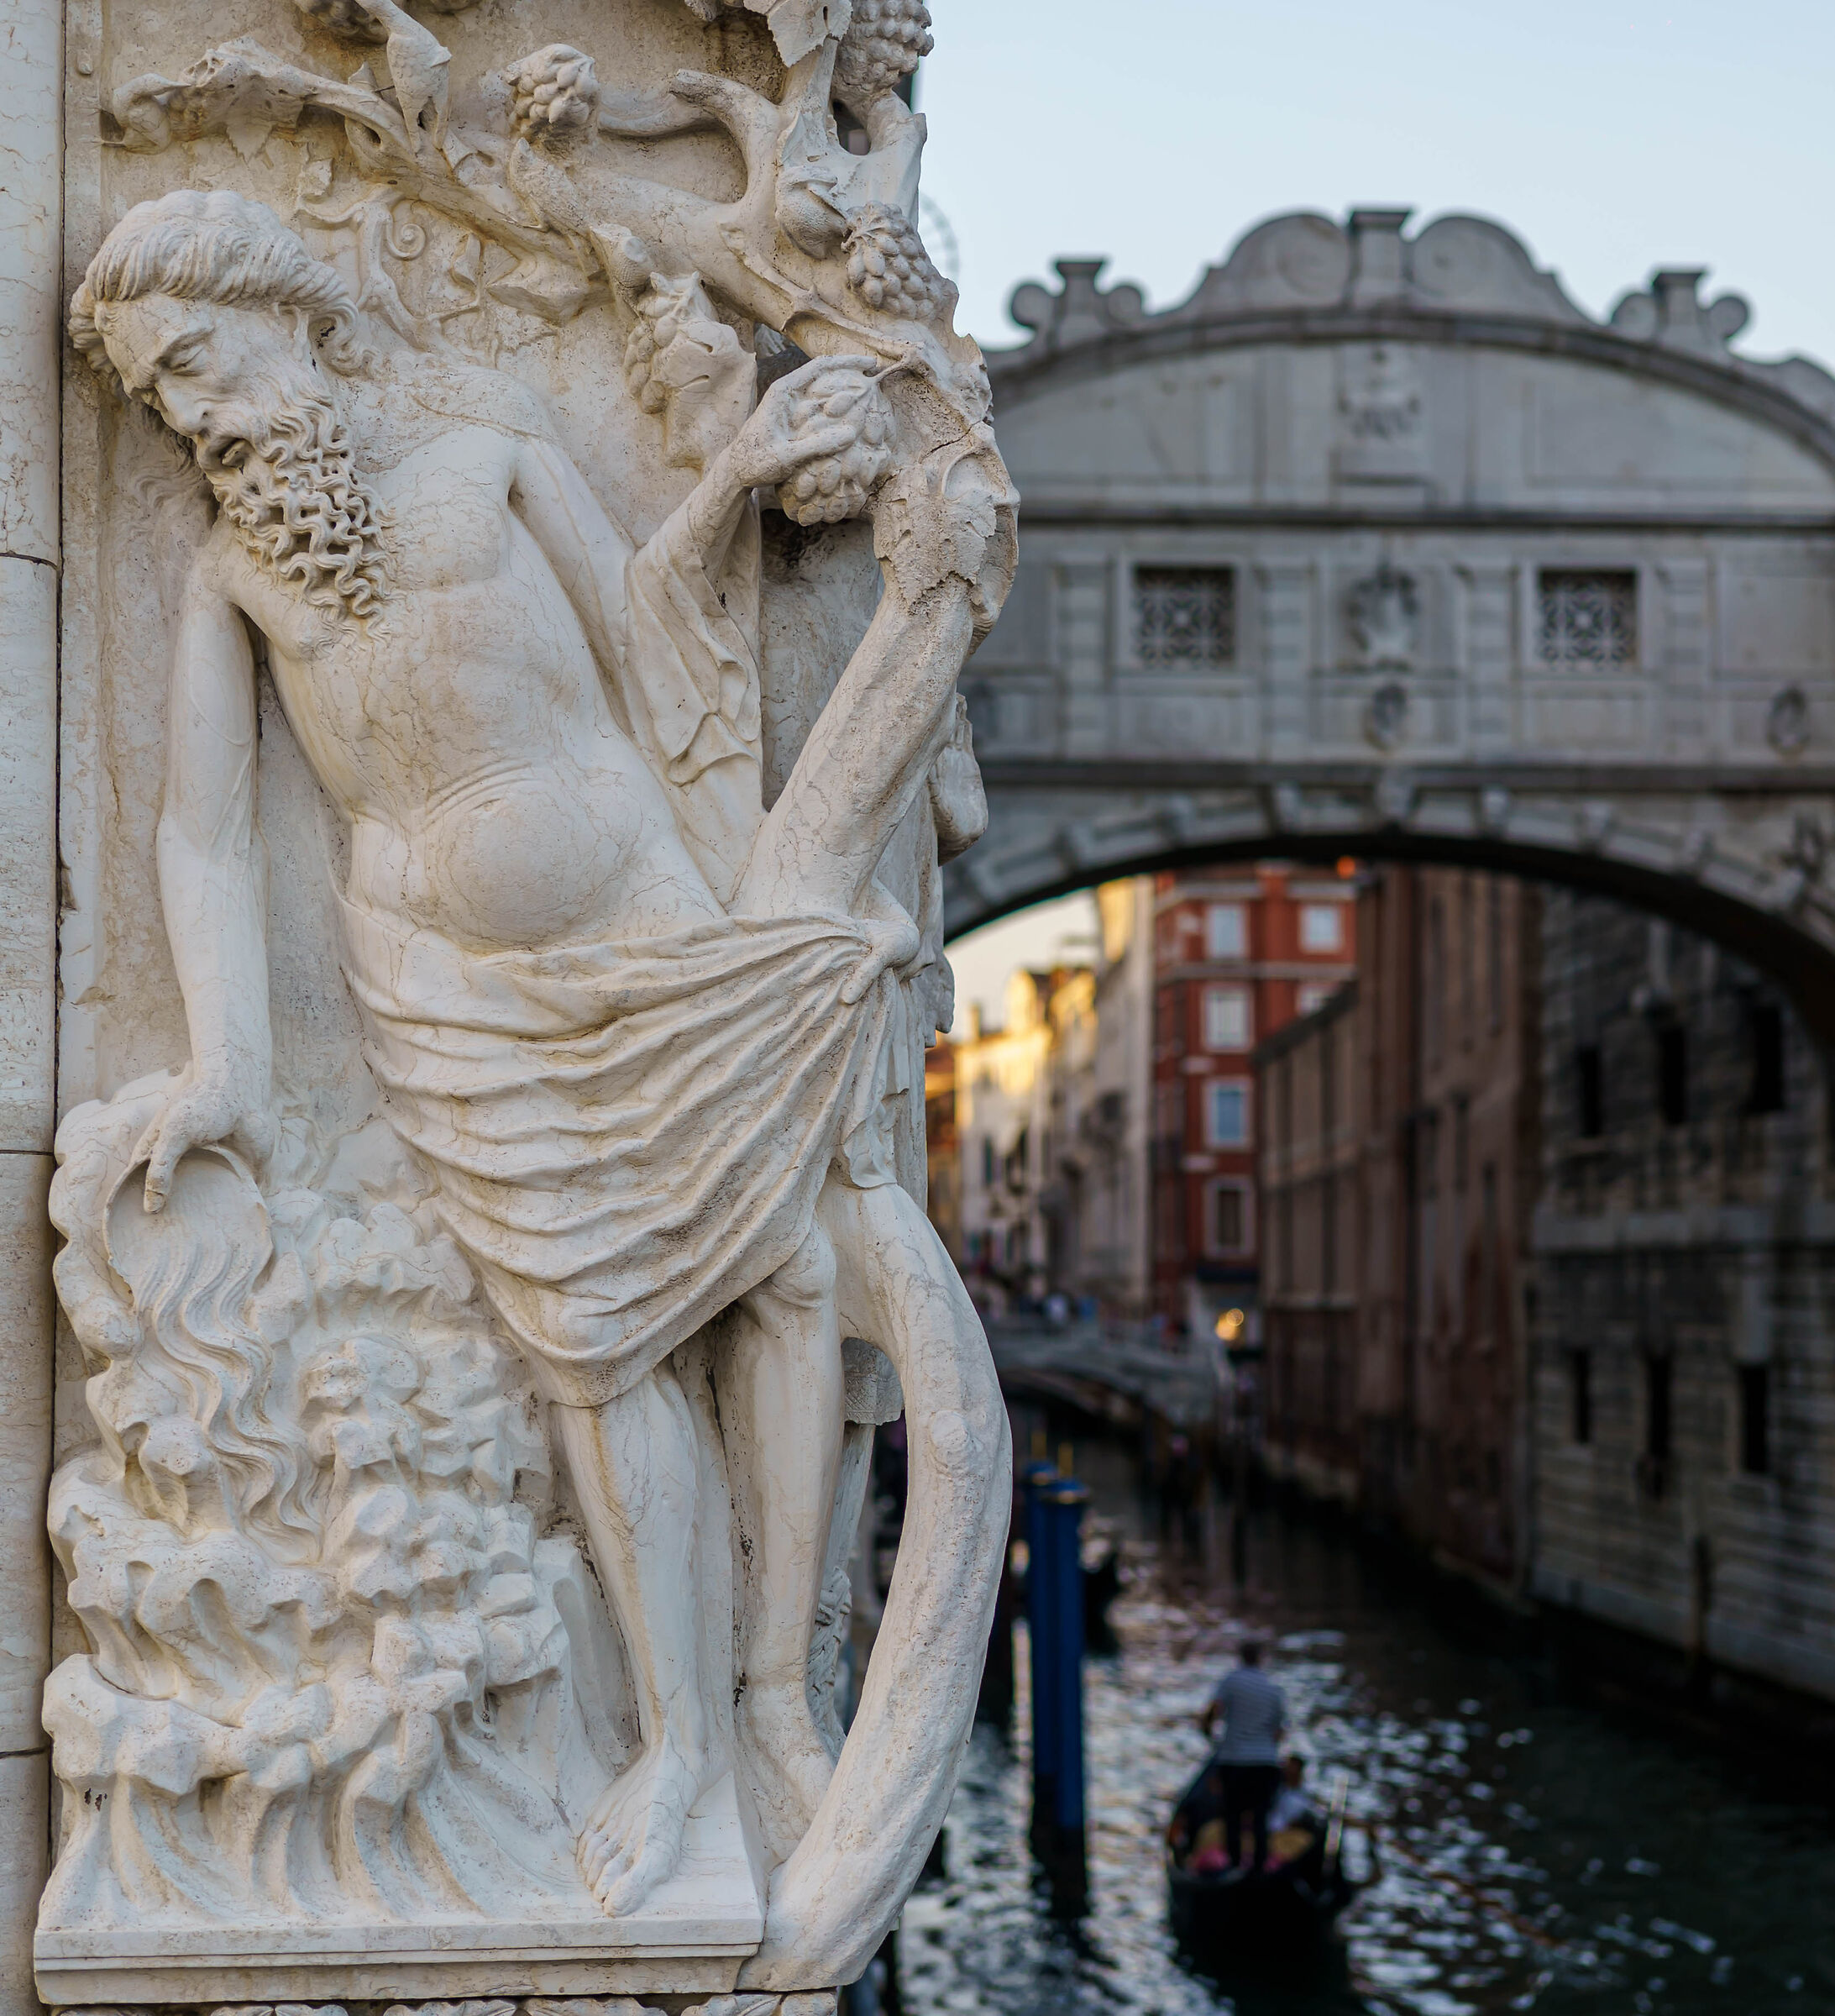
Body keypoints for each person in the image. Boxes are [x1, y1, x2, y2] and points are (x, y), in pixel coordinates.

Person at [71, 189, 997, 1916]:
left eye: (194, 363)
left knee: (782, 1276)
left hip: (640, 917)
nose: (189, 415)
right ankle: (668, 1745)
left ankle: (776, 1707)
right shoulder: (233, 566)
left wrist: (728, 479)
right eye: (156, 399)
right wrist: (226, 1062)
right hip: (444, 990)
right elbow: (203, 835)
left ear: (283, 314)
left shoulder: (487, 445)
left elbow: (654, 631)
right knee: (593, 1344)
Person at [1199, 1635, 1286, 1871]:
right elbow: (1279, 1732)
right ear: (1260, 1658)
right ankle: (1258, 1867)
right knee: (1260, 1818)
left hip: (1235, 1760)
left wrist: (1211, 1737)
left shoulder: (1230, 1681)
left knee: (1233, 1817)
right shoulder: (1273, 1688)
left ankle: (1235, 1865)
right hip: (1266, 1762)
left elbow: (1212, 1713)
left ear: (1240, 1657)